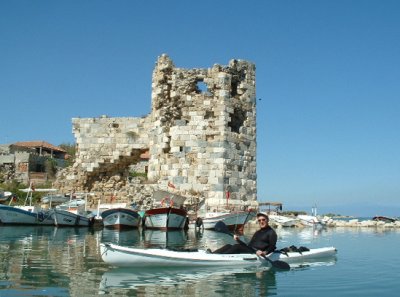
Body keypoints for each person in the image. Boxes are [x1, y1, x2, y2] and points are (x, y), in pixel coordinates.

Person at [211, 213, 277, 256]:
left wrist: (264, 253)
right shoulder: (258, 232)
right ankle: (212, 254)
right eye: (259, 220)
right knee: (229, 245)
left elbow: (272, 246)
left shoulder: (271, 233)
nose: (261, 222)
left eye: (263, 220)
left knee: (237, 247)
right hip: (251, 249)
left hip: (256, 253)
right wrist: (238, 240)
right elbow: (249, 245)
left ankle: (220, 257)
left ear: (267, 220)